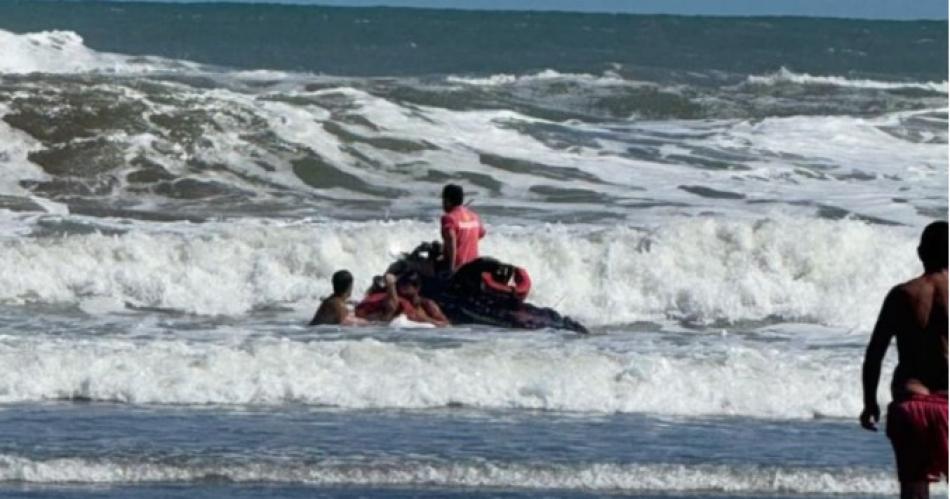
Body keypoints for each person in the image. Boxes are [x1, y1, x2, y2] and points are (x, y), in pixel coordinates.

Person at [861, 221, 948, 499]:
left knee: (914, 491)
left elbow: (875, 353)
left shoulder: (901, 294)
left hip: (910, 404)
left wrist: (869, 402)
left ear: (920, 252)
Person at [440, 184, 485, 273]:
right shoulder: (474, 216)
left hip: (458, 269)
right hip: (473, 266)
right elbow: (481, 233)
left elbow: (451, 241)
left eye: (443, 199)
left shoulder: (448, 218)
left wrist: (451, 269)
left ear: (447, 201)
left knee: (419, 265)